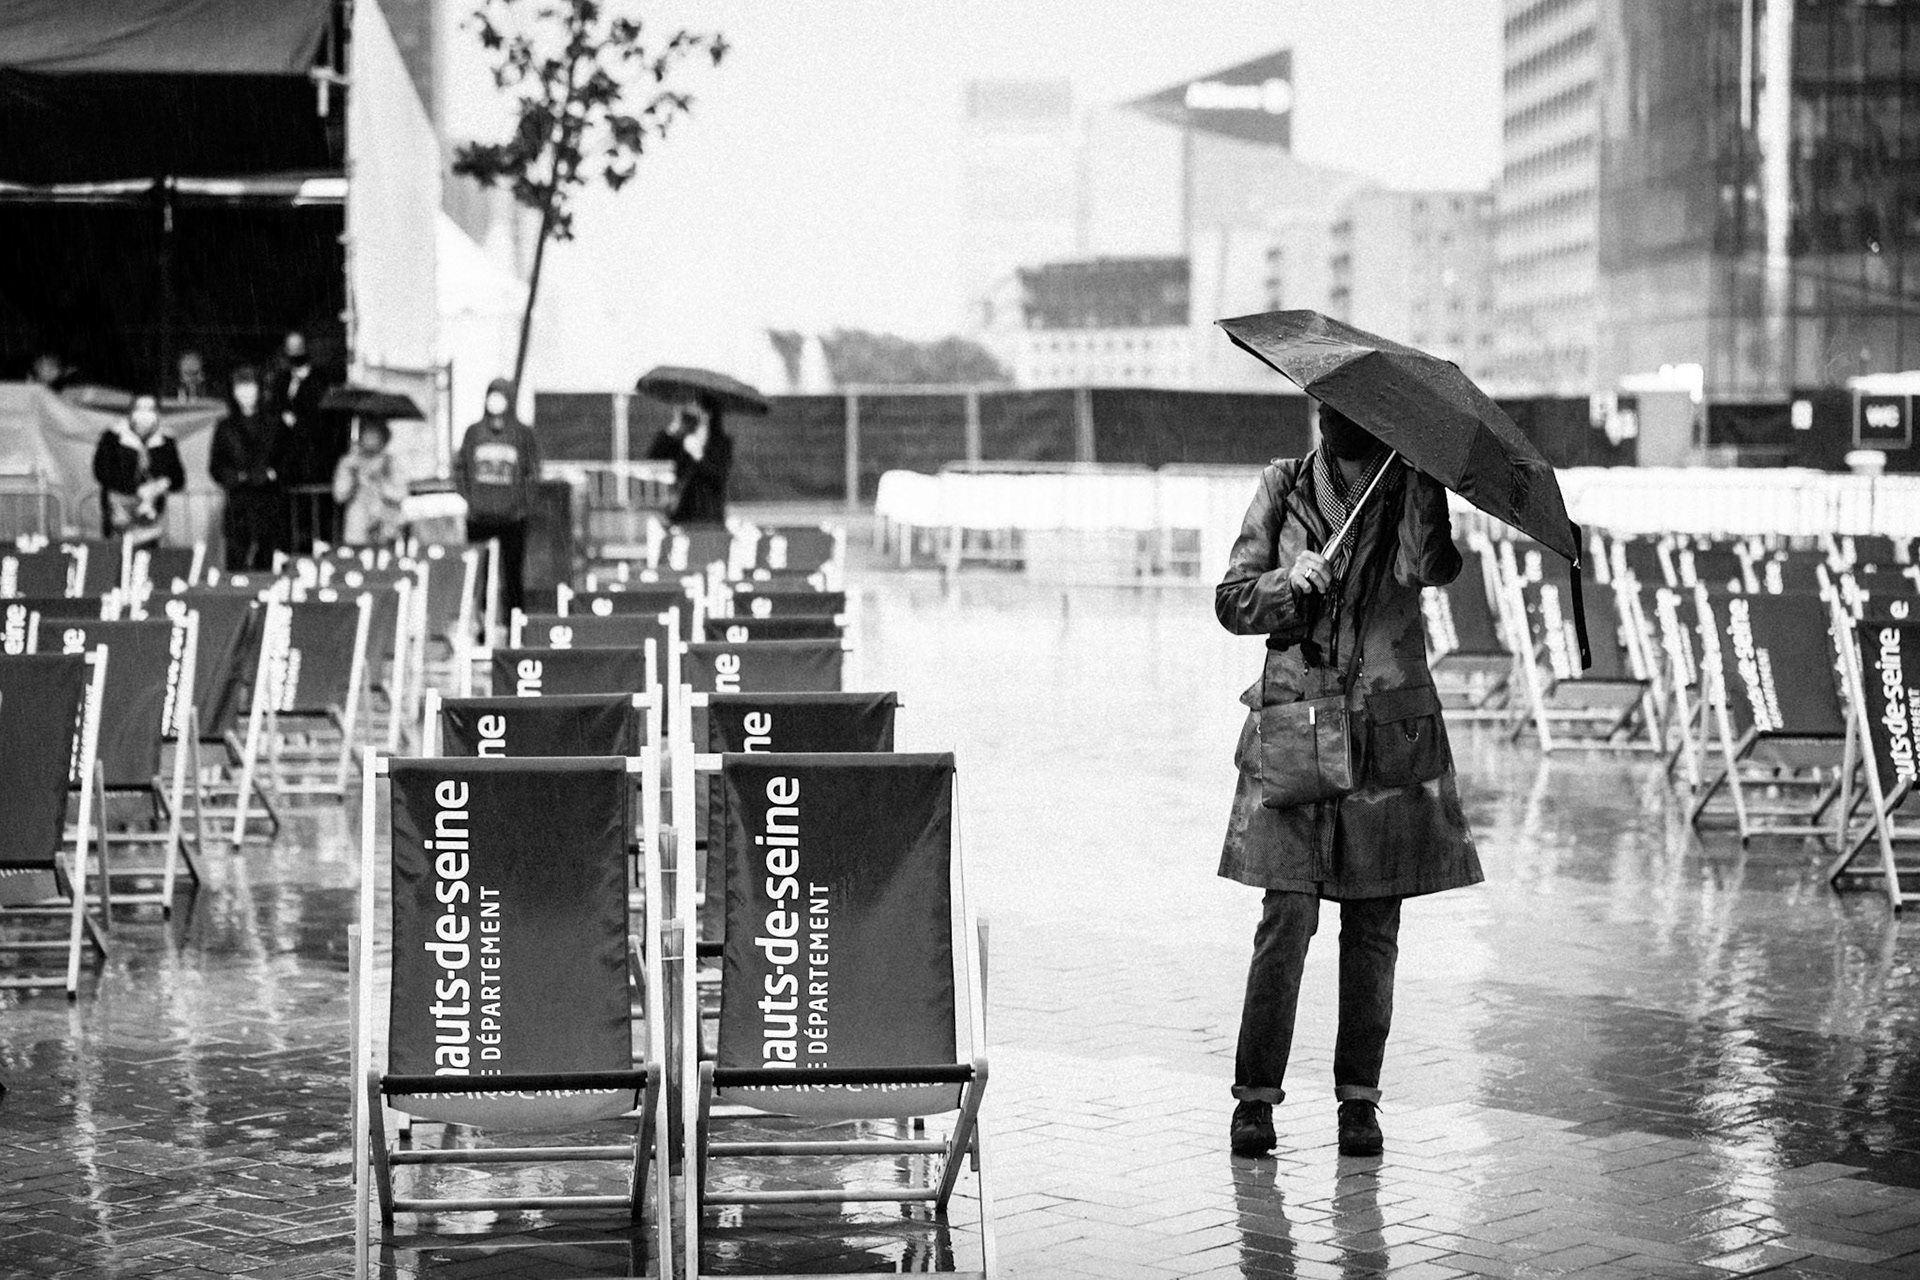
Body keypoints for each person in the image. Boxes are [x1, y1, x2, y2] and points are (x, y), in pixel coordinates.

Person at [1214, 403, 1482, 1161]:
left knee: (1373, 930)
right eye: (1326, 409)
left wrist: (1425, 484)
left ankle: (1359, 1103)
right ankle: (1255, 1101)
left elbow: (1429, 569)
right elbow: (1232, 601)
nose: (1335, 424)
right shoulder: (1283, 485)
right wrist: (1285, 582)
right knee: (1286, 918)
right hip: (1298, 726)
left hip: (1385, 737)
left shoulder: (1406, 487)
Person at [453, 378, 541, 614]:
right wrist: (471, 500)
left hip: (513, 519)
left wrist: (521, 505)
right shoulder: (473, 432)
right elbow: (460, 468)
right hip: (479, 518)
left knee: (512, 576)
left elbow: (533, 473)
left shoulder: (523, 434)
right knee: (478, 575)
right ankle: (481, 625)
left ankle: (515, 625)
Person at [209, 366, 283, 570]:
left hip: (268, 500)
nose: (246, 394)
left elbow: (287, 457)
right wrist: (235, 476)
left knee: (267, 559)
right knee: (236, 558)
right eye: (240, 388)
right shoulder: (225, 426)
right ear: (233, 392)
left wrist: (271, 473)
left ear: (259, 390)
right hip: (238, 502)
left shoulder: (274, 423)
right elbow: (216, 465)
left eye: (250, 387)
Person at [93, 392, 186, 545]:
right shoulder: (113, 436)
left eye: (150, 408)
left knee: (147, 558)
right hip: (118, 509)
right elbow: (102, 471)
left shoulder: (166, 440)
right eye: (140, 408)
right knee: (119, 555)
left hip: (151, 512)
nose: (145, 413)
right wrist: (137, 489)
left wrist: (162, 484)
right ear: (131, 411)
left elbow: (178, 478)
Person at [270, 330, 334, 552]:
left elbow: (323, 420)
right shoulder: (282, 380)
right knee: (289, 513)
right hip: (289, 461)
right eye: (290, 348)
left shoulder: (320, 380)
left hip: (314, 458)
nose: (294, 353)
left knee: (316, 513)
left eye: (298, 347)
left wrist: (296, 423)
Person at [645, 394, 733, 524]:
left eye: (695, 406)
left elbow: (719, 477)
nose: (690, 411)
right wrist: (673, 428)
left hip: (708, 514)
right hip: (681, 511)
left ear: (707, 413)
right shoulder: (683, 438)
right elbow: (653, 459)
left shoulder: (721, 443)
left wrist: (698, 455)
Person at [333, 418, 408, 546]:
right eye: (367, 433)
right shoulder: (350, 462)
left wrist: (381, 480)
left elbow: (400, 493)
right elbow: (340, 495)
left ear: (384, 437)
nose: (370, 439)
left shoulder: (390, 463)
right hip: (358, 526)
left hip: (385, 524)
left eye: (375, 434)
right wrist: (353, 476)